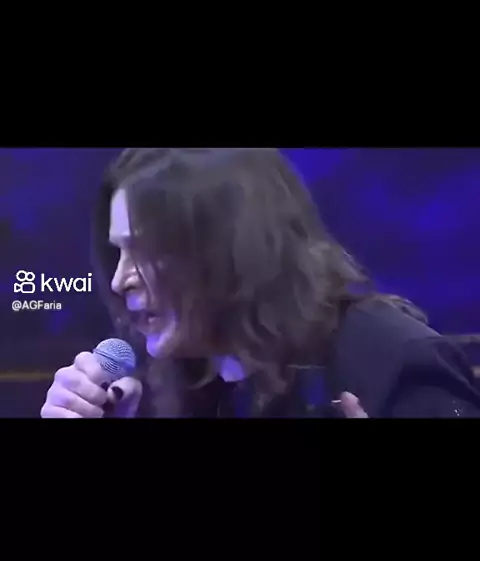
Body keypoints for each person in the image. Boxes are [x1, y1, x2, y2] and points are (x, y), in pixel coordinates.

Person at [41, 148, 480, 419]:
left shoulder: (394, 363)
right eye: (118, 252)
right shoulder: (163, 384)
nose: (120, 280)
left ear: (229, 250)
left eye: (147, 251)